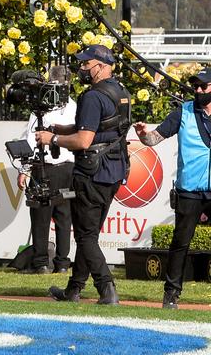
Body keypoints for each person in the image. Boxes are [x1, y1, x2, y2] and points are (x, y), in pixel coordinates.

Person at [36, 43, 130, 306]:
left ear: (100, 66)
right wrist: (61, 128)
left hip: (92, 173)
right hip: (113, 171)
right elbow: (100, 127)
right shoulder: (120, 91)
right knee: (90, 234)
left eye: (85, 64)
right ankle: (74, 289)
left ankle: (106, 288)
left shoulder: (92, 96)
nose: (81, 68)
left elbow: (84, 140)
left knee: (85, 236)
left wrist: (52, 138)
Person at [135, 67, 211, 309]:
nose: (198, 90)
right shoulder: (184, 112)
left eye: (203, 86)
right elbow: (156, 138)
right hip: (189, 189)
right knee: (180, 243)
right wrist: (144, 135)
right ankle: (171, 294)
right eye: (195, 86)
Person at [16, 91, 77, 274]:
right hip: (68, 168)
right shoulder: (75, 106)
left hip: (46, 167)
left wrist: (24, 170)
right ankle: (62, 264)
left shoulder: (41, 109)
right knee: (64, 218)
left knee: (41, 217)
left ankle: (41, 263)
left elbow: (31, 139)